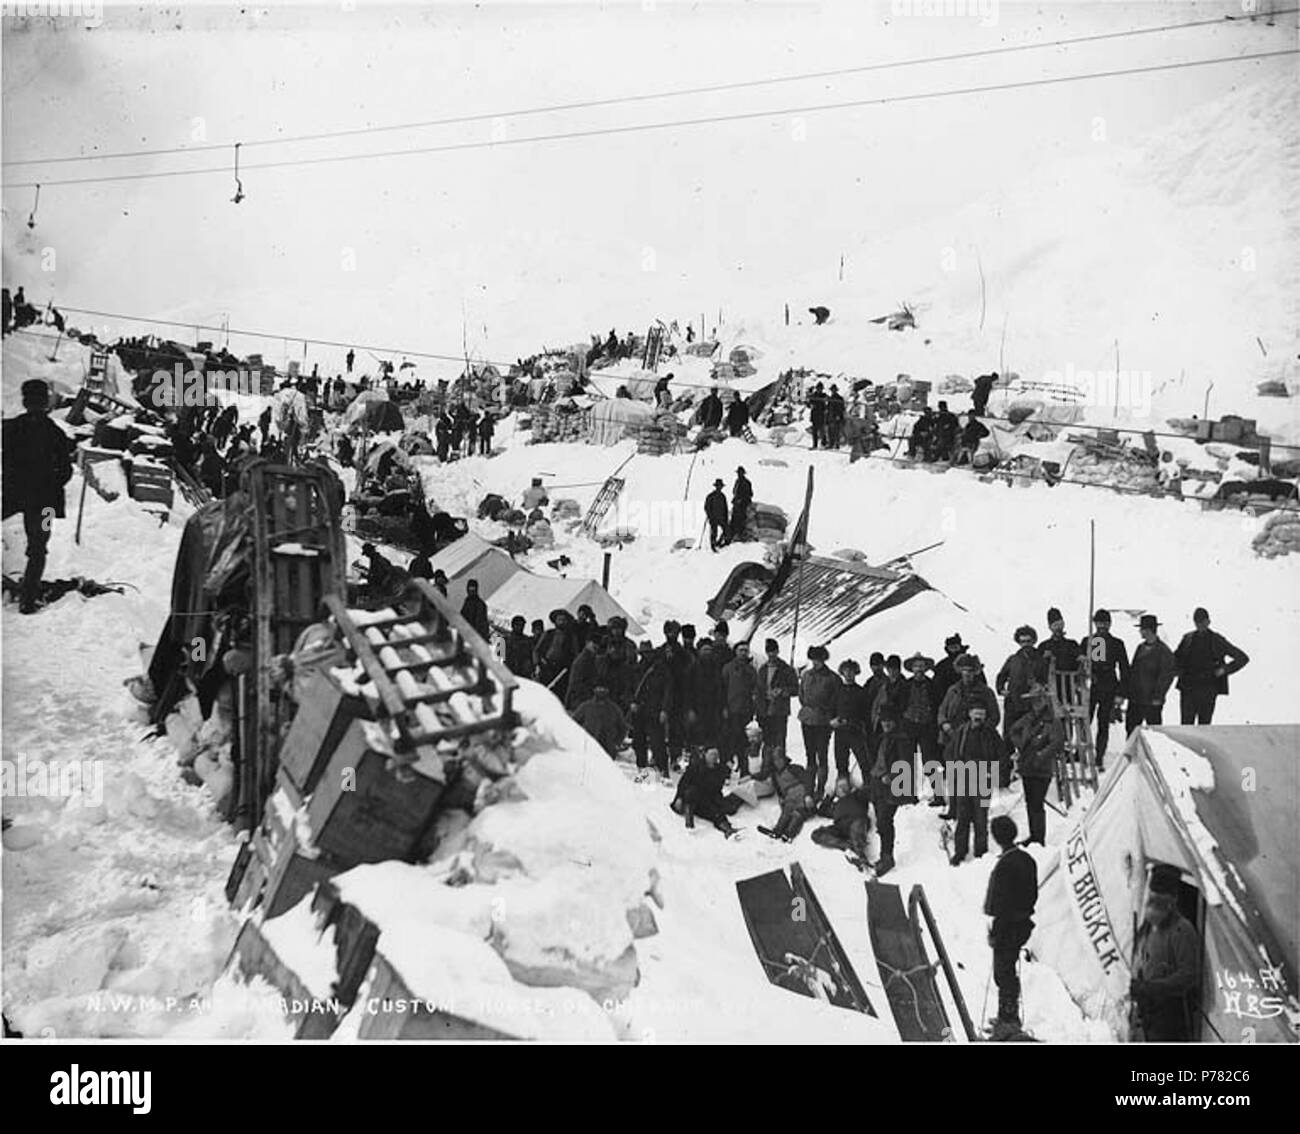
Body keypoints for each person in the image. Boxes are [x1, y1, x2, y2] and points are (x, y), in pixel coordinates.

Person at [2, 379, 74, 614]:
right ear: (45, 403)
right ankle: (28, 600)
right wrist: (49, 485)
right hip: (44, 505)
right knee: (38, 547)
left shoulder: (10, 429)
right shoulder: (56, 434)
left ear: (25, 401)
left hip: (13, 497)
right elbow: (66, 471)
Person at [1130, 864, 1200, 1042]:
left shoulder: (1182, 929)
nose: (1154, 907)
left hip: (1170, 1016)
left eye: (1160, 901)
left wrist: (1150, 988)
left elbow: (1189, 975)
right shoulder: (1146, 926)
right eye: (1152, 899)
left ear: (1173, 901)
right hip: (1147, 1012)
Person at [984, 815, 1038, 1038]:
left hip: (1007, 926)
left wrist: (996, 931)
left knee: (1003, 973)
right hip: (1023, 923)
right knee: (1007, 971)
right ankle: (1007, 1016)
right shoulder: (1027, 859)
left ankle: (1008, 1019)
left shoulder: (1005, 864)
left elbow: (1000, 903)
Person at [948, 703, 1004, 865]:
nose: (978, 718)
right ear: (970, 714)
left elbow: (1001, 755)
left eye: (981, 714)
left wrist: (993, 774)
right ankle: (960, 851)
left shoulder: (991, 734)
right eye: (975, 714)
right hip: (964, 779)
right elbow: (950, 752)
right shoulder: (961, 732)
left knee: (981, 818)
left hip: (983, 780)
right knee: (962, 818)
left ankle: (981, 852)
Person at [1173, 607, 1249, 725]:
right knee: (1186, 728)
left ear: (1208, 622)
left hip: (1207, 689)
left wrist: (1224, 670)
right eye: (1197, 622)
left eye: (1202, 622)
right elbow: (1175, 659)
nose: (1199, 625)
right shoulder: (1187, 639)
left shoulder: (1217, 640)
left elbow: (1242, 658)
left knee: (1204, 727)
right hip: (1188, 689)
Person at [1011, 681, 1063, 846]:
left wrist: (1040, 756)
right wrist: (1021, 745)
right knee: (1030, 802)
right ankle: (1034, 835)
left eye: (1040, 699)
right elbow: (1013, 731)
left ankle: (1039, 838)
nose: (1037, 703)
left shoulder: (1053, 721)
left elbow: (1056, 743)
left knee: (1037, 803)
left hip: (1042, 768)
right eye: (1034, 700)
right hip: (1027, 766)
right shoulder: (1027, 719)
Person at [867, 707, 912, 876]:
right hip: (878, 784)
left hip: (892, 787)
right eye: (883, 720)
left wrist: (892, 776)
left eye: (889, 721)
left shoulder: (902, 740)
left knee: (885, 821)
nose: (886, 724)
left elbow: (906, 764)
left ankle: (888, 857)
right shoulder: (881, 738)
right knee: (881, 821)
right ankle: (884, 855)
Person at [1083, 609, 1129, 770]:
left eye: (1105, 623)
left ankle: (1099, 756)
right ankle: (1082, 753)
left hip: (1109, 687)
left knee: (1103, 724)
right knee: (1084, 722)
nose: (1102, 626)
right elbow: (1079, 666)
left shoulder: (1117, 644)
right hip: (1091, 687)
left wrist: (1122, 693)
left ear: (1110, 624)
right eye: (1099, 623)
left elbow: (1124, 669)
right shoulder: (1087, 641)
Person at [996, 625, 1047, 761]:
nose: (1026, 645)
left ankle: (1026, 763)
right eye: (1022, 641)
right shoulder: (1013, 659)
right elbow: (1001, 676)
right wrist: (1001, 689)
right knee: (1008, 735)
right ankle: (1009, 765)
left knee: (1028, 735)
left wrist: (1039, 687)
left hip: (1031, 704)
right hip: (1013, 703)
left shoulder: (1040, 660)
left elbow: (1045, 679)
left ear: (1034, 641)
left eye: (1028, 641)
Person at [798, 644, 840, 801]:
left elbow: (836, 700)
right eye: (813, 659)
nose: (815, 663)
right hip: (807, 719)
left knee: (822, 755)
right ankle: (809, 789)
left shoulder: (832, 678)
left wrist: (828, 714)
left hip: (823, 721)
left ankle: (820, 788)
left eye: (818, 660)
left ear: (824, 660)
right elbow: (802, 696)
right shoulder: (806, 675)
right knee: (810, 755)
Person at [754, 638, 798, 779]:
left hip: (779, 711)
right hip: (764, 710)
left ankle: (780, 772)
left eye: (773, 651)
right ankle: (766, 769)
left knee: (779, 742)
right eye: (769, 651)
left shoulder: (786, 669)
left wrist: (782, 691)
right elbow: (759, 690)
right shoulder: (762, 669)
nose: (771, 654)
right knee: (767, 742)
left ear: (777, 651)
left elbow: (795, 689)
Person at [1126, 614, 1176, 733]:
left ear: (1148, 630)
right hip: (1136, 700)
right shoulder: (1140, 648)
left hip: (1152, 702)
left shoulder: (1164, 652)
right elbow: (1133, 672)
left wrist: (1158, 696)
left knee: (1153, 732)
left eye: (1142, 629)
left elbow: (1166, 677)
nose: (1140, 632)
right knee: (1131, 732)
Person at [630, 640, 671, 780]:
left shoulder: (661, 669)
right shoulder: (637, 668)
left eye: (647, 653)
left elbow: (668, 691)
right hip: (640, 710)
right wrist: (632, 702)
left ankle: (664, 770)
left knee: (657, 742)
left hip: (655, 709)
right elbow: (632, 688)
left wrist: (664, 709)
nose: (645, 656)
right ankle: (642, 769)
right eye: (643, 653)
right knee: (639, 741)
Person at [902, 652, 939, 806]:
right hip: (909, 726)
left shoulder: (933, 685)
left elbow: (938, 704)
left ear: (926, 668)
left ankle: (939, 794)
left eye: (921, 666)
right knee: (906, 762)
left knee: (930, 762)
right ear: (912, 668)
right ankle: (906, 795)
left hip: (927, 727)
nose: (919, 669)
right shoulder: (905, 685)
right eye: (916, 666)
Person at [672, 747, 736, 835]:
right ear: (705, 755)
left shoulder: (720, 770)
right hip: (693, 797)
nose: (714, 757)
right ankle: (689, 819)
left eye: (716, 754)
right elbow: (683, 783)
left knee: (717, 812)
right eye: (711, 754)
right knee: (691, 792)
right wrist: (679, 797)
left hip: (708, 798)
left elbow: (717, 789)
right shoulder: (696, 766)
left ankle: (727, 829)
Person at [811, 777, 873, 862]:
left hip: (856, 821)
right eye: (840, 786)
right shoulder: (835, 805)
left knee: (857, 829)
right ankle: (847, 847)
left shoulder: (857, 795)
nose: (842, 788)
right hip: (841, 827)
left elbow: (869, 791)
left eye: (845, 785)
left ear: (849, 787)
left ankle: (860, 856)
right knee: (816, 834)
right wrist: (829, 797)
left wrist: (861, 787)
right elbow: (821, 811)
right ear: (836, 790)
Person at [721, 640, 758, 775]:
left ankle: (744, 769)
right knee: (730, 740)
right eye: (741, 650)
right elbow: (722, 689)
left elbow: (755, 690)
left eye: (745, 650)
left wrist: (754, 707)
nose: (743, 653)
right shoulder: (728, 668)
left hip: (746, 711)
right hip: (731, 710)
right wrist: (724, 707)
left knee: (743, 742)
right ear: (735, 652)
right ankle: (726, 769)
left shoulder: (751, 670)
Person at [831, 658, 871, 784]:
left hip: (856, 732)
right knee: (841, 764)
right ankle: (843, 790)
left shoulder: (861, 692)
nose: (848, 674)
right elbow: (831, 709)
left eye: (851, 671)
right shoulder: (838, 691)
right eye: (846, 671)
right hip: (840, 732)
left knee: (864, 763)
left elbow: (866, 714)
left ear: (856, 673)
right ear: (842, 673)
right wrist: (832, 721)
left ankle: (868, 789)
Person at [767, 749, 814, 841]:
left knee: (798, 814)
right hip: (789, 797)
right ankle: (778, 830)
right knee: (786, 812)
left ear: (784, 759)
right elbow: (779, 790)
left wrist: (808, 795)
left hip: (801, 793)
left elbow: (808, 780)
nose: (778, 762)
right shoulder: (775, 775)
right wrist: (781, 798)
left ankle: (789, 833)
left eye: (780, 759)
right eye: (775, 760)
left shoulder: (794, 768)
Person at [572, 683, 627, 757]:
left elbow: (623, 728)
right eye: (599, 688)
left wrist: (616, 743)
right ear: (594, 690)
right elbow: (572, 724)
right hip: (588, 747)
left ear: (608, 691)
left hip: (608, 749)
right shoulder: (586, 706)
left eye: (604, 689)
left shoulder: (614, 709)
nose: (601, 691)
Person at [932, 633, 967, 706]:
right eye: (951, 647)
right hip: (947, 705)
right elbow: (936, 688)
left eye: (956, 647)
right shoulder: (942, 666)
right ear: (947, 648)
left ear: (960, 647)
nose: (954, 650)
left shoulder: (970, 662)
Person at [503, 615, 535, 680]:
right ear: (513, 625)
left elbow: (532, 656)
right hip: (509, 671)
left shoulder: (528, 640)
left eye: (522, 625)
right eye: (517, 625)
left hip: (524, 673)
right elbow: (498, 658)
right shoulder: (504, 639)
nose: (520, 627)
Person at [704, 479, 729, 551]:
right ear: (716, 487)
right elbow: (707, 507)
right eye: (718, 486)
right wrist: (710, 516)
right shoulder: (710, 496)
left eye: (720, 486)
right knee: (714, 532)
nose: (719, 488)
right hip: (713, 517)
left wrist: (726, 517)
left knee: (726, 530)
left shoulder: (722, 496)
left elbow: (725, 508)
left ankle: (723, 543)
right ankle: (713, 545)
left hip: (721, 517)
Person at [730, 467, 752, 542]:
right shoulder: (737, 481)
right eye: (738, 473)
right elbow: (734, 492)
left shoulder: (746, 482)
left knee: (741, 519)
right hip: (736, 504)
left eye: (740, 473)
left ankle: (741, 535)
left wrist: (742, 500)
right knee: (734, 520)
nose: (738, 474)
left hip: (743, 504)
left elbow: (750, 494)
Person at [807, 382, 827, 449]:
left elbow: (828, 401)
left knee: (822, 431)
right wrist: (811, 404)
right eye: (818, 389)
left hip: (821, 415)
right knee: (814, 431)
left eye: (820, 389)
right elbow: (808, 404)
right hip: (815, 415)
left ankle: (824, 444)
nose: (819, 390)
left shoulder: (824, 395)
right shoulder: (813, 396)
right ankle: (815, 445)